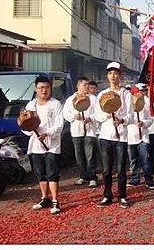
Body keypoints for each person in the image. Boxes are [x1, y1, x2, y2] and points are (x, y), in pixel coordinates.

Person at [22, 75, 64, 214]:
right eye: (40, 87)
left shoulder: (55, 104)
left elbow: (59, 125)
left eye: (46, 87)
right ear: (36, 89)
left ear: (50, 88)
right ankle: (44, 198)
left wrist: (47, 133)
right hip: (36, 144)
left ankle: (55, 200)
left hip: (52, 144)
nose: (44, 90)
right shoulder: (31, 105)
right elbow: (25, 126)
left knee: (52, 172)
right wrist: (31, 132)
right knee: (40, 173)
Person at [94, 62, 132, 208]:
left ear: (120, 76)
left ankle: (122, 195)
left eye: (115, 73)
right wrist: (108, 116)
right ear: (107, 76)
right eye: (110, 73)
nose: (113, 76)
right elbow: (97, 115)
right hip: (105, 136)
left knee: (121, 168)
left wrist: (122, 120)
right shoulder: (102, 95)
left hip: (121, 136)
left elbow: (131, 115)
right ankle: (107, 195)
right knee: (106, 169)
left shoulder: (126, 94)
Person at [63, 76, 98, 188]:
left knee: (90, 154)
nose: (87, 87)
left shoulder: (93, 98)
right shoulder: (70, 99)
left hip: (89, 130)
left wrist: (90, 118)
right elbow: (65, 113)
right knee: (79, 156)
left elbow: (98, 112)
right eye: (84, 85)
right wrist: (74, 116)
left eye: (88, 84)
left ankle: (92, 177)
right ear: (78, 86)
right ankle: (83, 175)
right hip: (77, 130)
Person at [127, 84, 154, 189]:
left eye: (140, 91)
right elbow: (125, 119)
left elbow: (150, 119)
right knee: (133, 160)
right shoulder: (128, 104)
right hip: (131, 137)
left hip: (143, 137)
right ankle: (135, 179)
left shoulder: (145, 104)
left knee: (145, 159)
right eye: (136, 92)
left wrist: (143, 123)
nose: (138, 93)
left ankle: (149, 180)